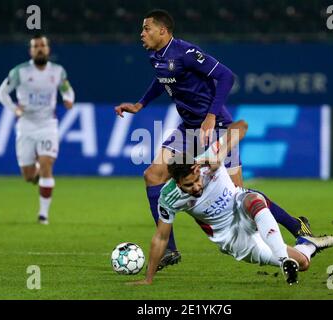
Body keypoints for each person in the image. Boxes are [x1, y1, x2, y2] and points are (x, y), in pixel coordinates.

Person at [115, 9, 313, 270]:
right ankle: (170, 250)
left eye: (146, 28)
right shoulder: (155, 57)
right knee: (153, 175)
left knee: (239, 197)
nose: (141, 34)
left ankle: (296, 226)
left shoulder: (185, 53)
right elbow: (161, 80)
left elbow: (226, 76)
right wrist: (140, 105)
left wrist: (210, 116)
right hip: (188, 128)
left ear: (163, 31)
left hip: (216, 125)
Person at [130, 121, 333, 285]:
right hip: (231, 238)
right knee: (303, 264)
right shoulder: (168, 198)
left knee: (252, 198)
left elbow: (241, 126)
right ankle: (307, 246)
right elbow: (160, 237)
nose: (195, 187)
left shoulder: (207, 159)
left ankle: (284, 259)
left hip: (240, 206)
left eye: (195, 180)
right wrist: (148, 279)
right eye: (188, 186)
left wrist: (220, 154)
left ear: (196, 169)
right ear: (176, 183)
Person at [0, 34, 75, 225]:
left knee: (47, 165)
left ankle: (43, 215)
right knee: (29, 176)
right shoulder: (20, 72)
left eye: (43, 45)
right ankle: (37, 170)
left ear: (48, 49)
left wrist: (69, 99)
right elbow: (1, 93)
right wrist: (14, 109)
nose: (40, 48)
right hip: (26, 126)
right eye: (36, 46)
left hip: (48, 125)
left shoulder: (57, 71)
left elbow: (67, 89)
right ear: (31, 51)